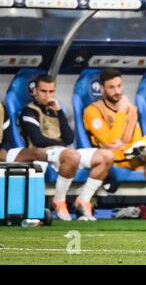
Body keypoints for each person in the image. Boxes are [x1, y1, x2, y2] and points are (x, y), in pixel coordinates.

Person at [20, 75, 114, 221]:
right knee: (72, 155)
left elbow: (69, 138)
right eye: (43, 91)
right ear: (35, 91)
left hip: (64, 153)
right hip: (42, 154)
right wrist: (62, 145)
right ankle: (59, 201)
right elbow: (38, 140)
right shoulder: (28, 112)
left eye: (51, 91)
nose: (48, 95)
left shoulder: (55, 110)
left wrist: (60, 112)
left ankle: (83, 201)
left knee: (106, 156)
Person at [83, 69, 146, 215]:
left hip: (132, 151)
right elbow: (110, 143)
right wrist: (121, 113)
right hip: (113, 158)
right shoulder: (92, 111)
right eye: (111, 87)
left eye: (119, 86)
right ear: (102, 88)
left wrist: (129, 144)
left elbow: (132, 139)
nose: (117, 91)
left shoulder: (131, 109)